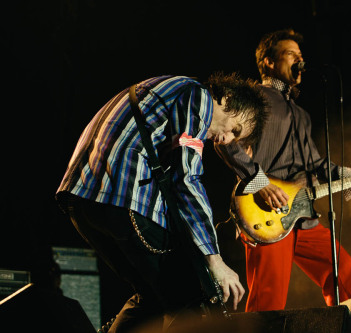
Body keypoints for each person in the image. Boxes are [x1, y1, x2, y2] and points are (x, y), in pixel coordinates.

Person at [55, 72, 268, 332]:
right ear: (229, 98)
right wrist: (215, 260)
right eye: (235, 129)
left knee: (153, 297)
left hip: (81, 199)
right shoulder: (198, 95)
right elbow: (187, 179)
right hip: (121, 195)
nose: (226, 140)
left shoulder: (166, 90)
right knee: (188, 295)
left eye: (235, 138)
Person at [215, 29, 351, 313]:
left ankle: (339, 329)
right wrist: (259, 182)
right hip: (266, 212)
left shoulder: (301, 115)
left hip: (303, 215)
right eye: (291, 54)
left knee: (344, 272)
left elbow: (315, 164)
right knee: (267, 302)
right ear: (269, 62)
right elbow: (221, 140)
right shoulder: (253, 97)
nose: (300, 60)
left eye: (301, 56)